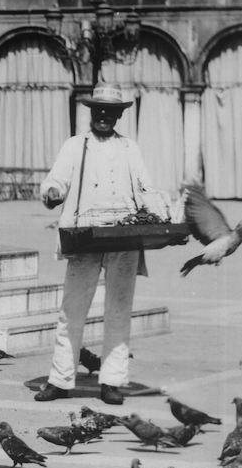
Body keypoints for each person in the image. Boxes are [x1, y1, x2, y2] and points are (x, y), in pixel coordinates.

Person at [34, 81, 161, 405]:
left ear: (118, 115)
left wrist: (160, 212)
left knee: (119, 308)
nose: (104, 115)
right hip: (85, 235)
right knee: (72, 309)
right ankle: (61, 379)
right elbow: (56, 179)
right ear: (92, 112)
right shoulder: (76, 145)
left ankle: (112, 381)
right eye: (99, 110)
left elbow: (146, 188)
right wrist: (51, 192)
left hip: (125, 236)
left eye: (111, 111)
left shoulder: (130, 148)